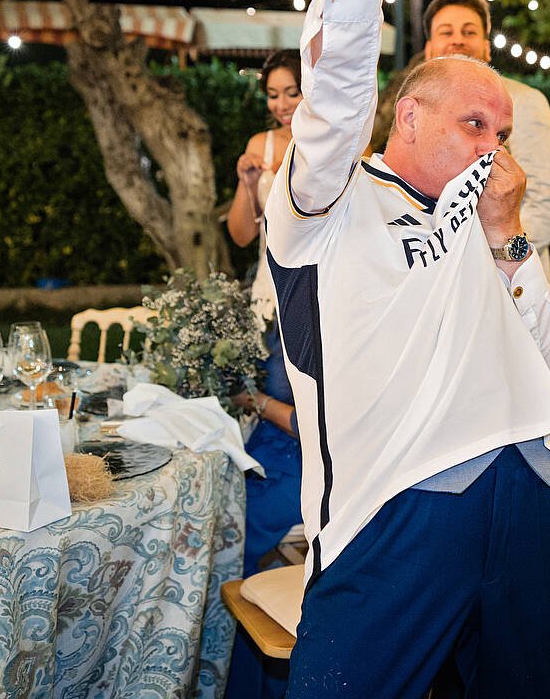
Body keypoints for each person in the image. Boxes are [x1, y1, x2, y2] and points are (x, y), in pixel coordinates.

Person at [261, 0, 550, 697]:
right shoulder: (328, 202)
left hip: (522, 491)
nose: (493, 143)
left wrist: (509, 241)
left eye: (503, 131)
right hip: (394, 509)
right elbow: (335, 89)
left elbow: (545, 358)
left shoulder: (489, 219)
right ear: (407, 120)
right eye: (473, 124)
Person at [369, 0, 550, 283]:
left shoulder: (525, 102)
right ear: (429, 50)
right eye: (446, 31)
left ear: (487, 49)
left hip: (505, 282)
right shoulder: (417, 108)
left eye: (469, 31)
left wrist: (489, 254)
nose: (457, 40)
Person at [223, 51, 304, 699]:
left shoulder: (340, 141)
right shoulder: (262, 144)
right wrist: (249, 182)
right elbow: (242, 232)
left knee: (288, 403)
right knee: (258, 413)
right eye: (274, 95)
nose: (281, 105)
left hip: (309, 296)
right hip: (264, 295)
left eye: (290, 92)